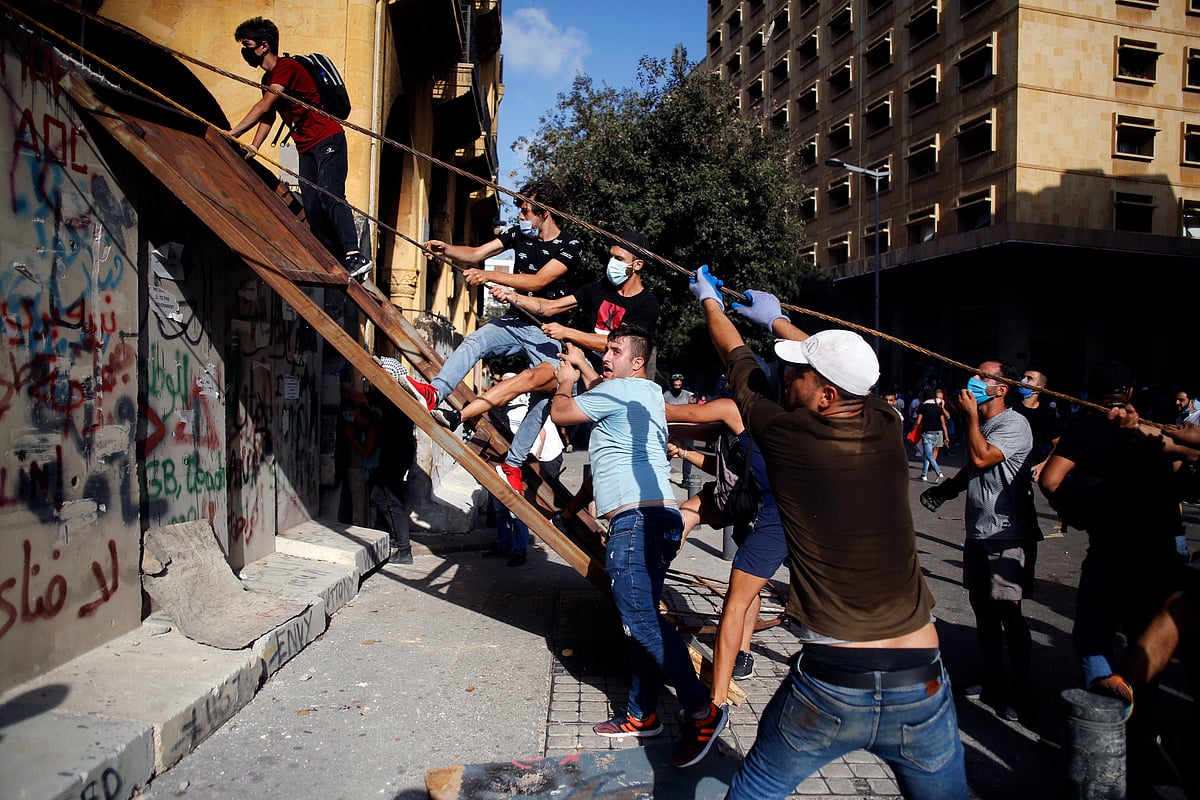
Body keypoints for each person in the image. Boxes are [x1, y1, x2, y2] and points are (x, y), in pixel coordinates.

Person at [690, 268, 966, 798]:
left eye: (799, 374)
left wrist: (710, 303)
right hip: (923, 678)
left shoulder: (787, 435)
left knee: (755, 789)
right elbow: (845, 375)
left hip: (836, 680)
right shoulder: (886, 424)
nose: (787, 377)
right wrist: (778, 321)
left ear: (825, 396)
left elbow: (735, 356)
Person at [549, 326, 728, 769]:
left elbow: (562, 413)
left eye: (615, 350)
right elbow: (603, 385)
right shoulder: (645, 392)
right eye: (605, 350)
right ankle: (641, 713)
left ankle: (703, 713)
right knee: (641, 619)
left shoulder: (620, 389)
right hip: (660, 518)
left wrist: (566, 378)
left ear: (637, 362)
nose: (606, 356)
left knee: (642, 621)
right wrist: (586, 365)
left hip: (635, 522)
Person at [432, 232, 659, 490]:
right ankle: (462, 421)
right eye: (611, 257)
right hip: (576, 367)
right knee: (532, 380)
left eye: (619, 259)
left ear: (637, 264)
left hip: (607, 383)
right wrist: (512, 296)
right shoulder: (598, 289)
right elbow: (549, 307)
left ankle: (510, 460)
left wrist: (567, 333)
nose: (612, 264)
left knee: (600, 452)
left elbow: (617, 343)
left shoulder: (647, 304)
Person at [403, 180, 582, 493]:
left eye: (526, 211)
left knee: (543, 397)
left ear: (545, 213)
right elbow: (476, 253)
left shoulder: (570, 246)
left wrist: (489, 274)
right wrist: (447, 249)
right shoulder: (517, 235)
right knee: (475, 341)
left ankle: (513, 465)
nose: (521, 216)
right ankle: (435, 392)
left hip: (548, 331)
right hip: (514, 320)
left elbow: (538, 282)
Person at [227, 18, 372, 280]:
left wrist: (233, 133)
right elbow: (269, 115)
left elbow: (263, 106)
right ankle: (336, 259)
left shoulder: (286, 67)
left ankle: (354, 255)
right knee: (313, 208)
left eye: (247, 45)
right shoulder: (268, 78)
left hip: (328, 138)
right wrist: (254, 146)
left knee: (330, 194)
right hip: (306, 147)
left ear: (264, 45)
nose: (244, 51)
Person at [665, 397, 784, 692]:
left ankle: (741, 655)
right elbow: (718, 468)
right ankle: (653, 578)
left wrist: (627, 399)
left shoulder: (733, 409)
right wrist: (683, 450)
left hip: (761, 508)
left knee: (742, 590)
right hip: (735, 498)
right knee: (683, 517)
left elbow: (679, 412)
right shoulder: (728, 427)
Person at [1012, 368, 1059, 480]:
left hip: (1026, 468)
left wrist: (1044, 465)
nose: (1023, 380)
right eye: (1023, 376)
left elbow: (1057, 444)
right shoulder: (1010, 403)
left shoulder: (1046, 412)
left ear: (1039, 388)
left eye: (1029, 378)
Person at [664, 373, 697, 486]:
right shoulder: (666, 396)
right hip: (672, 429)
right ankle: (662, 474)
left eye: (679, 385)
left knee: (687, 454)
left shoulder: (688, 395)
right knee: (668, 453)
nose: (677, 387)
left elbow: (694, 410)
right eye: (675, 385)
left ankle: (686, 479)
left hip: (686, 429)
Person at [914, 388, 949, 482]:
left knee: (929, 454)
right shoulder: (938, 407)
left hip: (927, 433)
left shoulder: (923, 406)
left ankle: (938, 472)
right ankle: (924, 474)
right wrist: (946, 436)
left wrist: (912, 429)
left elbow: (918, 421)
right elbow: (943, 421)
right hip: (937, 432)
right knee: (928, 453)